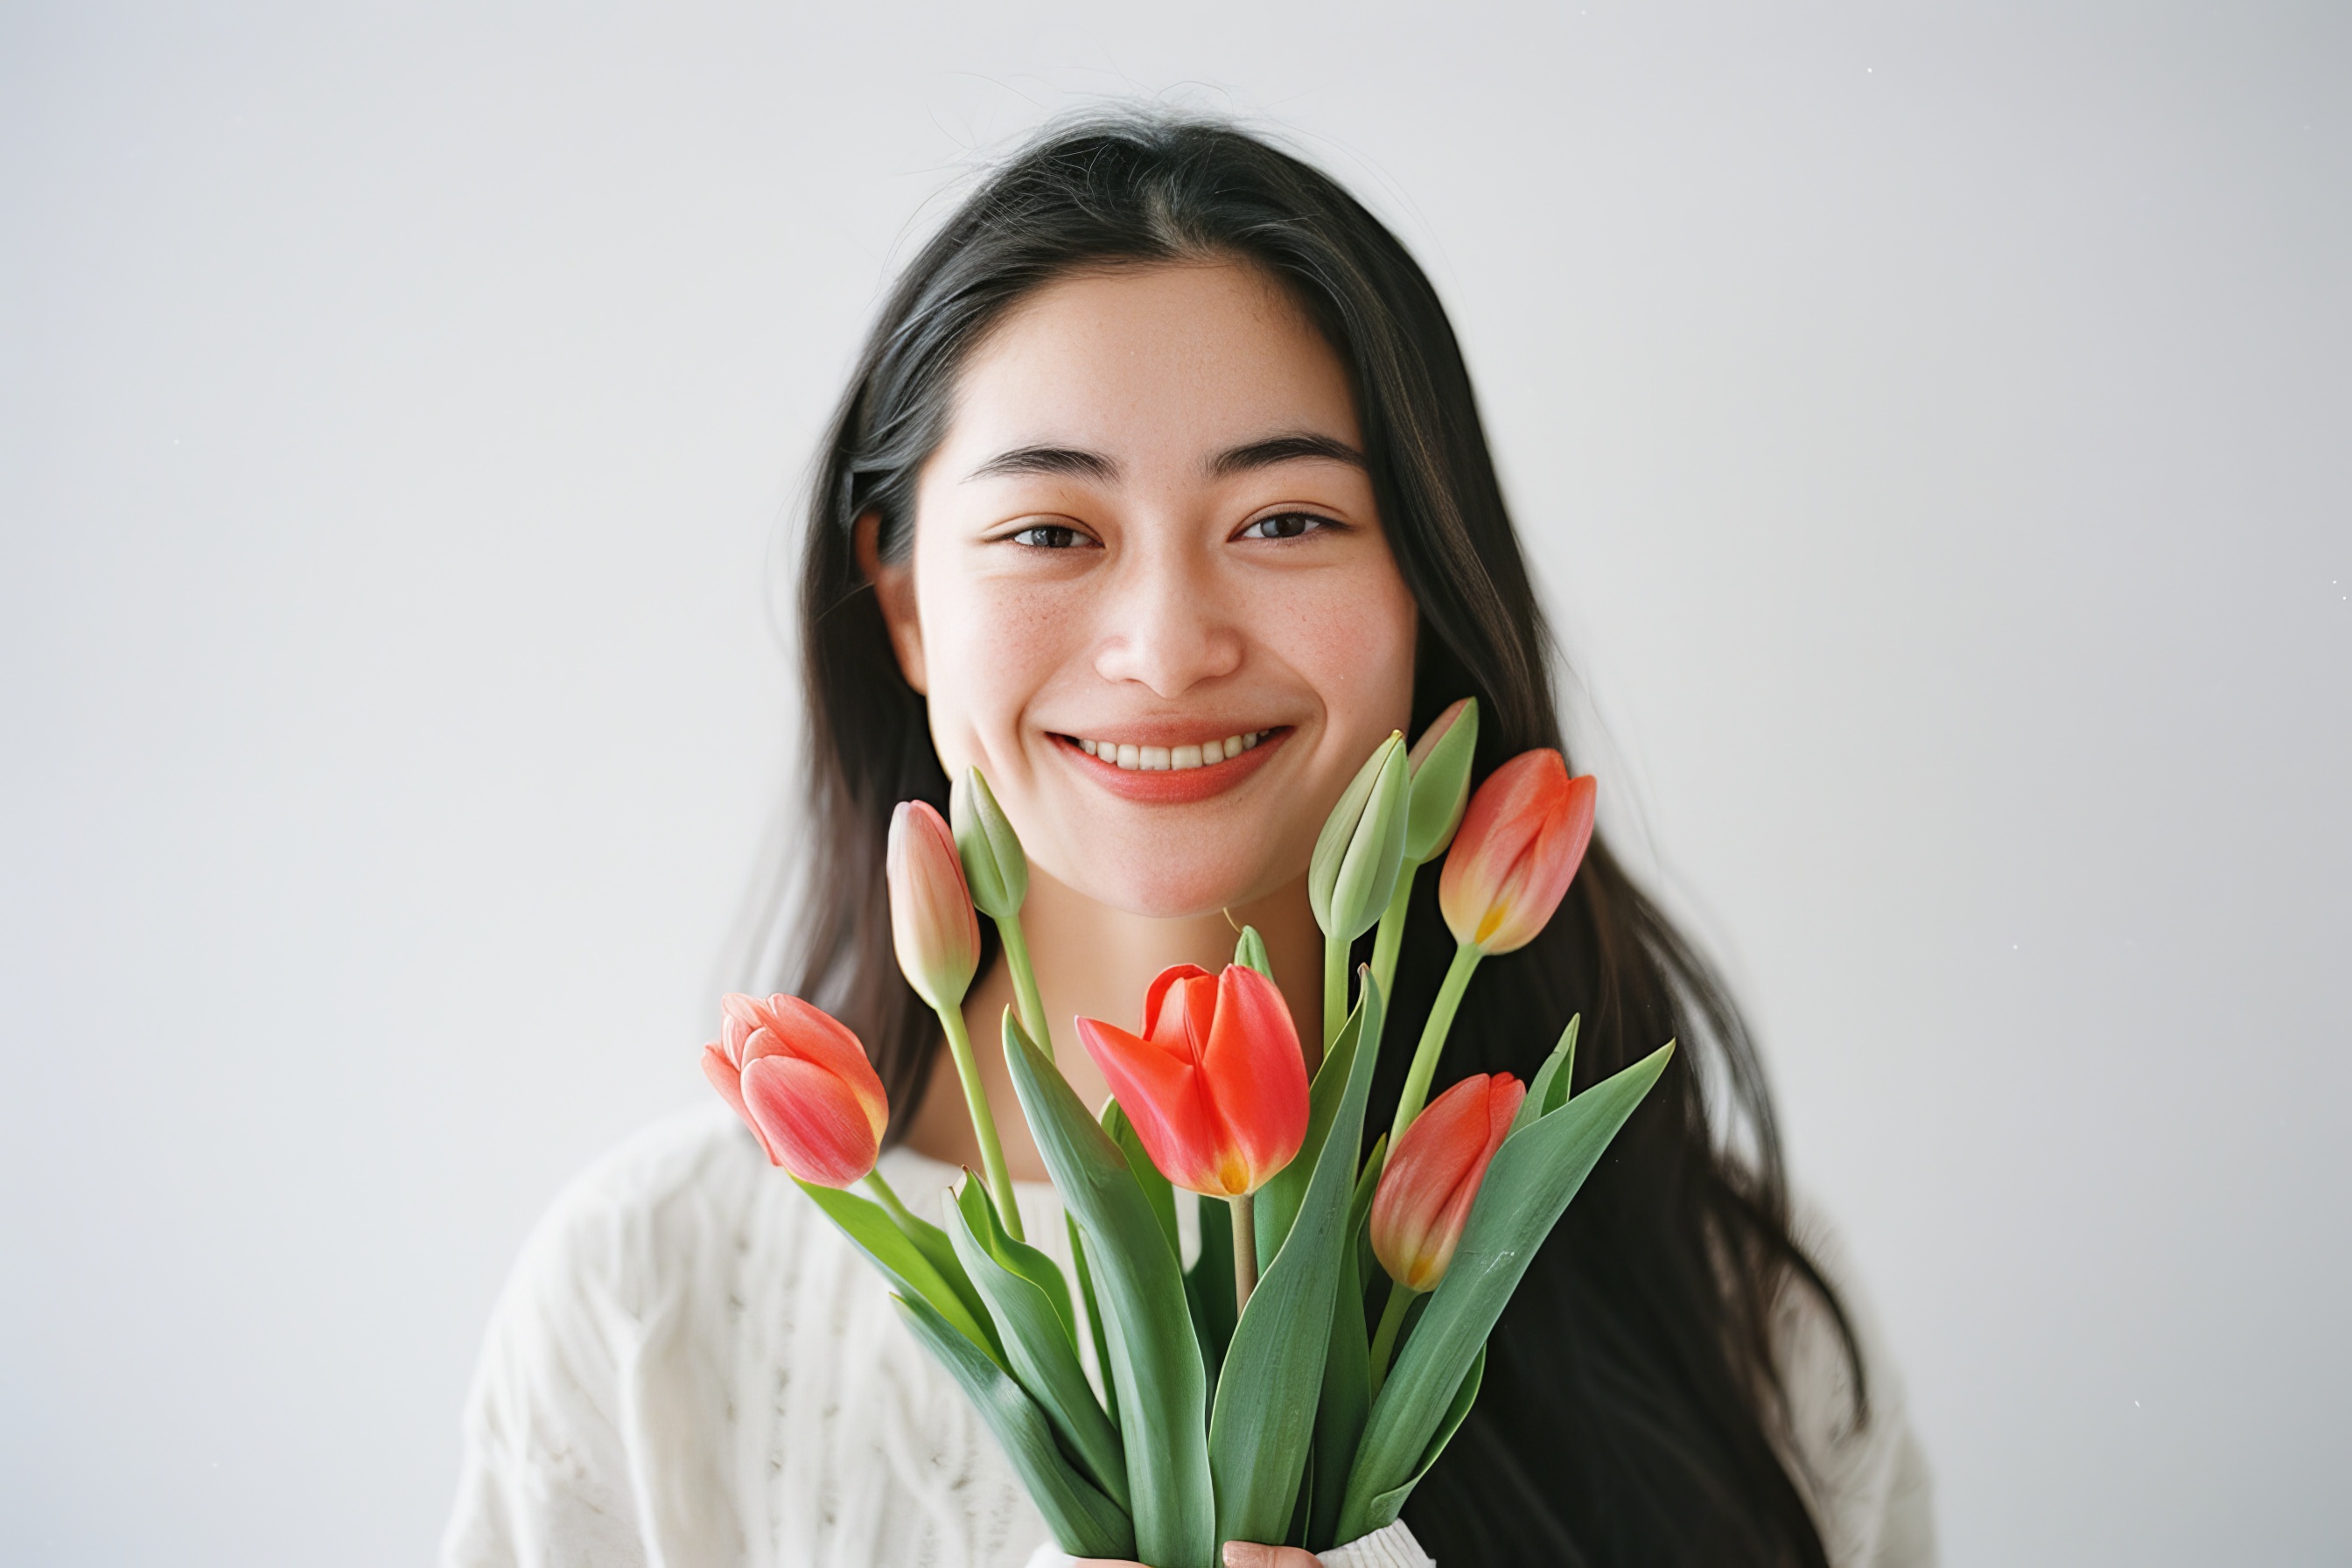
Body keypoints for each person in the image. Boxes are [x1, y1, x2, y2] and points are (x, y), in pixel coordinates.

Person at [443, 112, 1935, 1568]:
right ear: (901, 603)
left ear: (1427, 581)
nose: (1165, 649)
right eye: (1049, 532)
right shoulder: (652, 1300)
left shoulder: (1723, 1304)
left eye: (1285, 522)